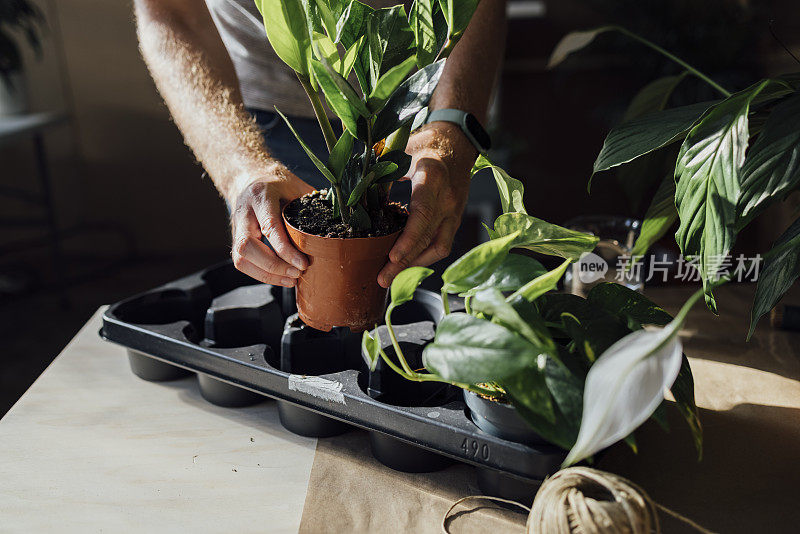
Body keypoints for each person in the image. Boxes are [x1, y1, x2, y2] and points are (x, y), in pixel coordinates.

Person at [133, 0, 507, 288]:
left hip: (412, 116)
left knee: (414, 285)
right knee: (288, 277)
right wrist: (241, 170)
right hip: (260, 121)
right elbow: (170, 12)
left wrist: (453, 127)